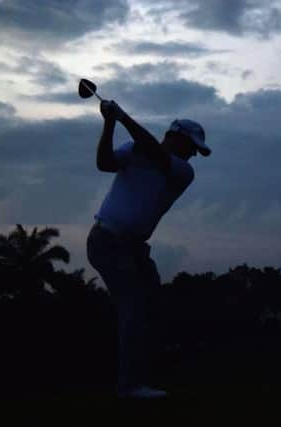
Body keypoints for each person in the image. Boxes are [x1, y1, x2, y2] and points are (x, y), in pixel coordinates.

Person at [86, 100, 210, 398]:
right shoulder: (134, 149)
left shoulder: (182, 171)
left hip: (134, 249)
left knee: (148, 308)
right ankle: (129, 386)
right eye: (192, 146)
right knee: (134, 308)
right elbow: (104, 163)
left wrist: (122, 116)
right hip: (107, 240)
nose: (194, 153)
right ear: (176, 137)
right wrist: (110, 123)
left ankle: (141, 376)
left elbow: (154, 150)